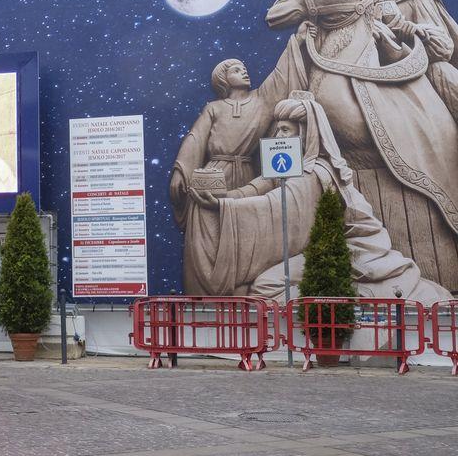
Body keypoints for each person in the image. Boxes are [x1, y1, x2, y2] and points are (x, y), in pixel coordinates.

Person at [186, 93, 450, 304]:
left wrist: (225, 206)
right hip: (321, 248)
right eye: (277, 130)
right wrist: (224, 200)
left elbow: (276, 205)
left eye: (286, 130)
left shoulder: (315, 171)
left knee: (267, 285)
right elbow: (260, 186)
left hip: (354, 248)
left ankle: (335, 307)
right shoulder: (293, 164)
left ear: (305, 133)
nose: (278, 137)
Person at [170, 46, 307, 230]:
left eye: (244, 69)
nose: (244, 72)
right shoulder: (214, 108)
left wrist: (297, 41)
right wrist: (181, 171)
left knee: (245, 226)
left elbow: (280, 76)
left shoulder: (262, 100)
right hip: (215, 174)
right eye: (236, 70)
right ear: (223, 78)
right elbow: (196, 138)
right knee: (210, 224)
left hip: (246, 175)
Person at [364, 0, 458, 120]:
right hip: (373, 70)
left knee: (442, 71)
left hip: (418, 68)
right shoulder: (364, 5)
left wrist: (416, 32)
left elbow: (444, 47)